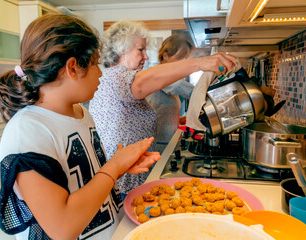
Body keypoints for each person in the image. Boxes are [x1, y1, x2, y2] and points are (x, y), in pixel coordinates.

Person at [0, 14, 160, 240]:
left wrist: (119, 166)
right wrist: (114, 166)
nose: (100, 73)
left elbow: (86, 182)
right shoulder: (27, 130)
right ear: (72, 68)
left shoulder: (82, 114)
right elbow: (63, 228)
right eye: (94, 64)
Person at [89, 19, 236, 197]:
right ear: (122, 48)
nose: (146, 56)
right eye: (140, 50)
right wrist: (200, 63)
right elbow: (140, 83)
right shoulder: (117, 77)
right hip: (121, 180)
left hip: (124, 174)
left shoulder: (111, 77)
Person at [146, 34, 194, 153]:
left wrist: (179, 119)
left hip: (167, 141)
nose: (183, 63)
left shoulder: (171, 77)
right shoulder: (162, 74)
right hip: (158, 145)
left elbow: (162, 109)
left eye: (185, 58)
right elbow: (190, 91)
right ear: (165, 55)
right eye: (180, 58)